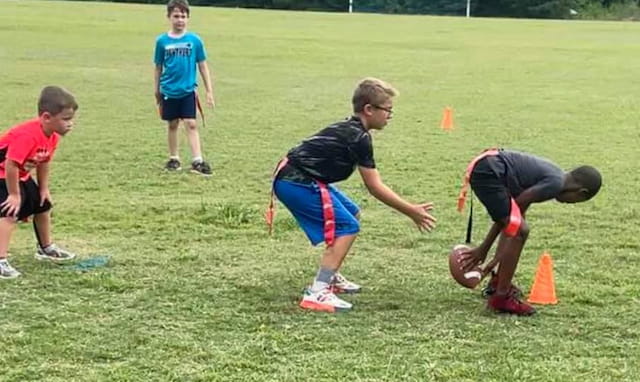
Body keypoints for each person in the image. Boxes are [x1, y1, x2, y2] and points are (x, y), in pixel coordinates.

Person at [267, 78, 437, 313]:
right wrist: (411, 210)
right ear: (369, 109)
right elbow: (375, 187)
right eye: (388, 110)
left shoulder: (354, 131)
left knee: (351, 212)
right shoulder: (358, 137)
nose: (389, 116)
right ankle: (318, 291)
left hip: (300, 177)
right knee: (347, 226)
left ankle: (331, 275)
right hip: (295, 181)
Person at [457, 148, 602, 315]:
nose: (570, 204)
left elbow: (514, 218)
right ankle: (501, 298)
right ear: (580, 192)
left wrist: (493, 260)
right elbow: (513, 218)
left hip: (490, 166)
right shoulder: (555, 184)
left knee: (518, 226)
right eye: (575, 202)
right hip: (489, 171)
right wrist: (484, 249)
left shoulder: (555, 176)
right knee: (521, 230)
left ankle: (498, 284)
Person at [0, 86, 79, 279]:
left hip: (19, 176)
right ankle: (1, 259)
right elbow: (11, 164)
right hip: (3, 174)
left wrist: (43, 189)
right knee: (10, 212)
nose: (70, 124)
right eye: (66, 119)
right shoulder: (28, 135)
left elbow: (44, 162)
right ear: (46, 117)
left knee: (43, 205)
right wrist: (14, 195)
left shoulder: (52, 136)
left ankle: (46, 248)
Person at [154, 0, 214, 176]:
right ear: (169, 17)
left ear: (188, 18)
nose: (180, 20)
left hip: (188, 90)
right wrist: (156, 89)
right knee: (172, 124)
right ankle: (174, 158)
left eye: (183, 16)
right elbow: (158, 67)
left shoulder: (194, 40)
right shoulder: (162, 41)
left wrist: (209, 91)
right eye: (176, 16)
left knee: (191, 123)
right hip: (169, 90)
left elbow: (203, 65)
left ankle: (197, 160)